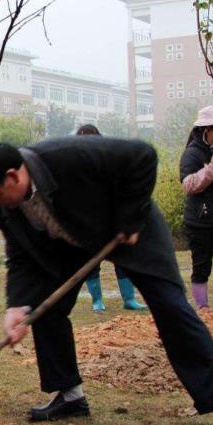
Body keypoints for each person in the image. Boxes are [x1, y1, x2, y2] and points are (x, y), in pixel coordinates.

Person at [0, 137, 213, 425]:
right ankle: (70, 396)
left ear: (13, 176)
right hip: (69, 243)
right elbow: (20, 253)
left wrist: (129, 217)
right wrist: (16, 304)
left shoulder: (66, 156)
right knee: (44, 307)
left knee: (171, 307)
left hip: (128, 229)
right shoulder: (4, 206)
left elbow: (143, 155)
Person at [74, 124, 146, 312]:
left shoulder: (109, 160)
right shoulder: (74, 164)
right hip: (88, 221)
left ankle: (129, 299)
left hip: (111, 219)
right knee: (91, 262)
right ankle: (97, 301)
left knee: (123, 259)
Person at [180, 105, 213, 314]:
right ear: (208, 130)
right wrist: (212, 169)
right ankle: (204, 310)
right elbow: (189, 185)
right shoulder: (192, 154)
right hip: (201, 222)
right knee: (202, 267)